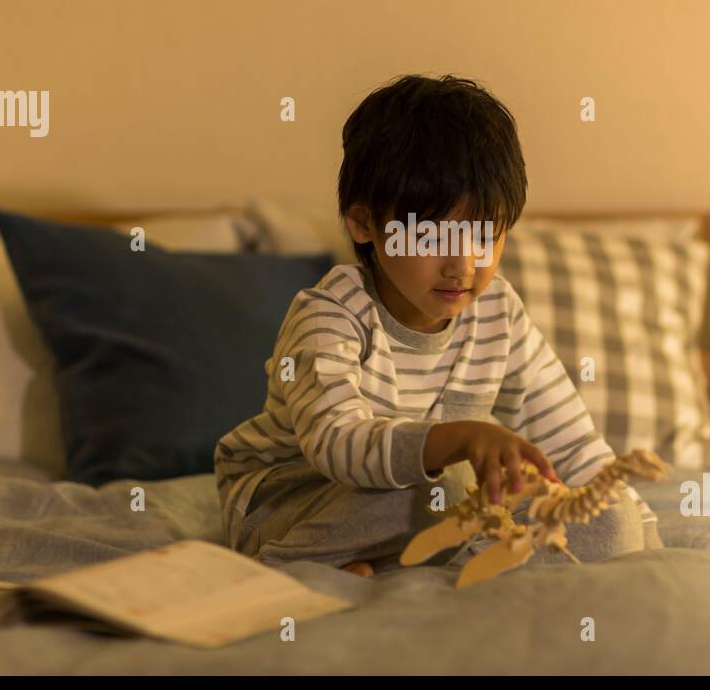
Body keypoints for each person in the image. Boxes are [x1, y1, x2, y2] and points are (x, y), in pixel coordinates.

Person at [214, 74, 660, 578]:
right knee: (447, 486)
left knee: (595, 518)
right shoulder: (329, 316)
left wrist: (637, 532)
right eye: (431, 237)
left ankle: (386, 561)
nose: (463, 266)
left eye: (485, 234)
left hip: (430, 502)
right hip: (287, 499)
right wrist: (462, 438)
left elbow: (573, 446)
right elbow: (337, 444)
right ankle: (286, 564)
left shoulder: (499, 314)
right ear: (364, 224)